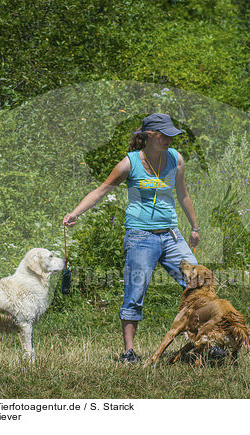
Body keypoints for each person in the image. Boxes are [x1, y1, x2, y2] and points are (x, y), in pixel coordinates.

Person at [63, 113, 200, 364]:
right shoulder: (130, 163)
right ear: (149, 135)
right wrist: (75, 213)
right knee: (135, 291)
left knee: (199, 283)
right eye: (164, 135)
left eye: (171, 134)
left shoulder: (176, 159)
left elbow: (183, 193)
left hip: (171, 234)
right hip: (140, 236)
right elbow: (101, 190)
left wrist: (194, 227)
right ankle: (129, 352)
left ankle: (203, 343)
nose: (169, 139)